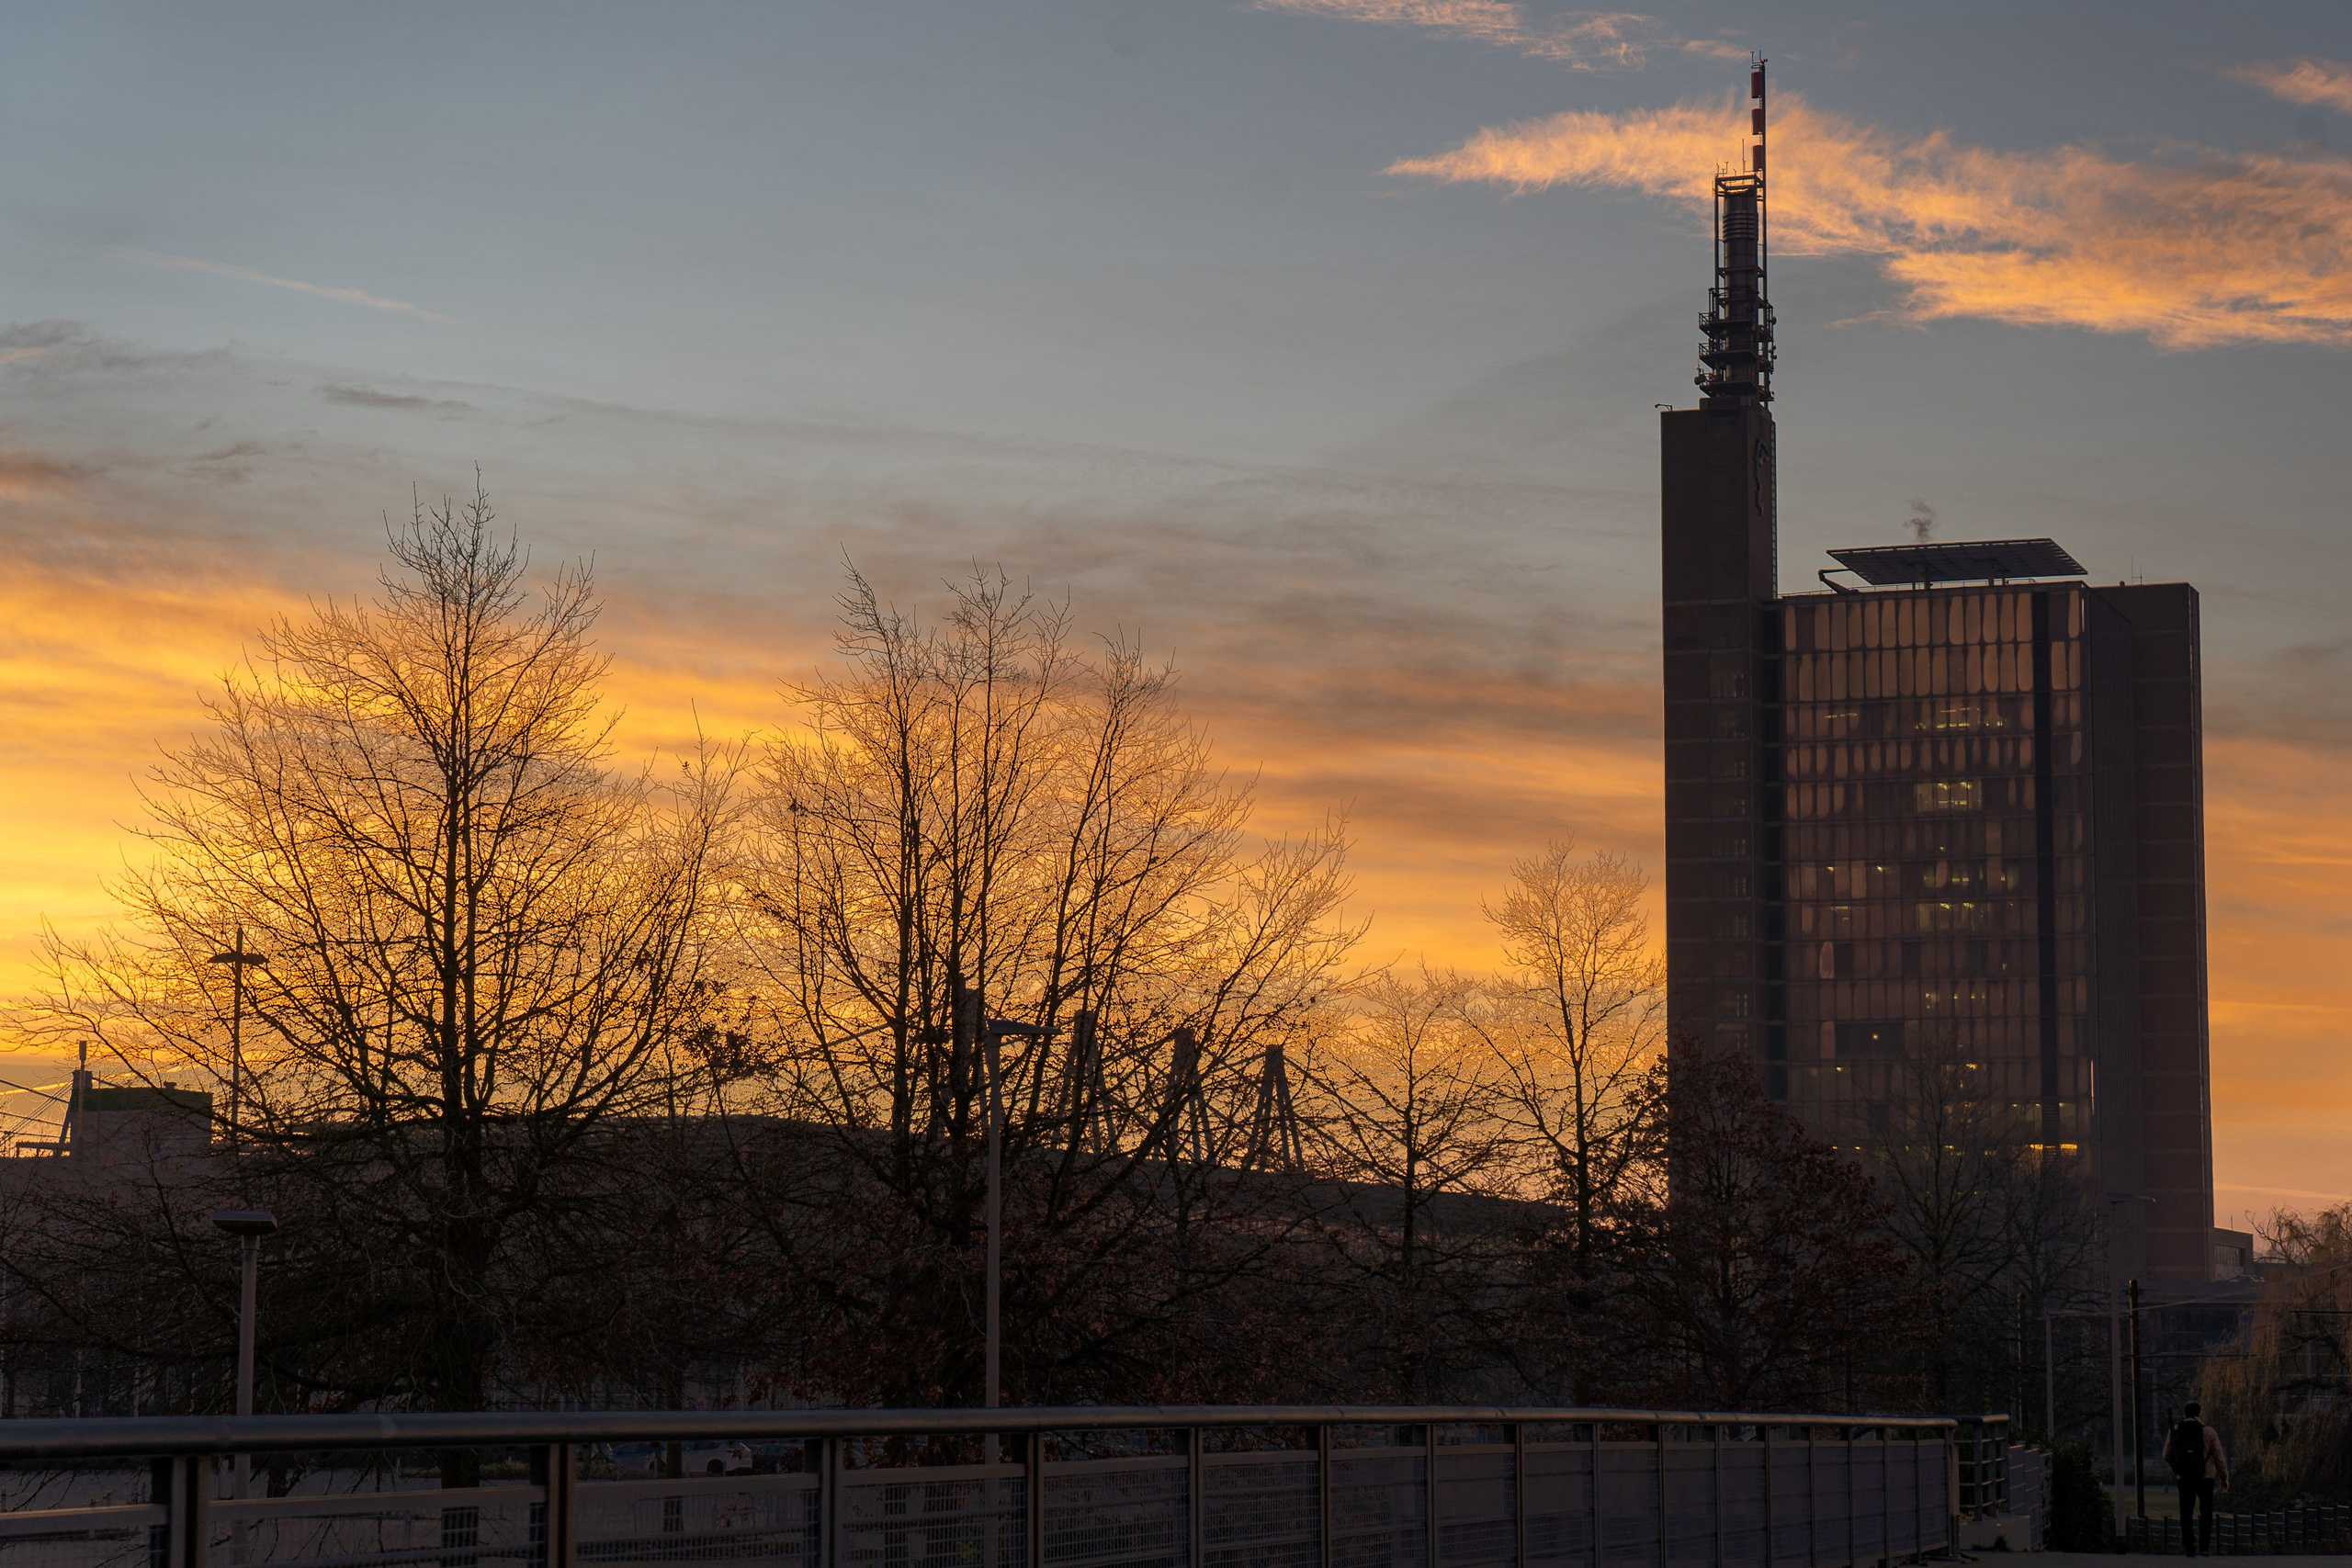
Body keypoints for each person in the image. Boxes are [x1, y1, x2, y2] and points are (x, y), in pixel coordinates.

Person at [2164, 1401, 2229, 1556]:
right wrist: (2224, 1477)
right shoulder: (2208, 1432)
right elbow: (2219, 1457)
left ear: (2185, 1413)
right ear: (2199, 1413)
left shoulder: (2175, 1430)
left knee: (2185, 1513)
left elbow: (2166, 1455)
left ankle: (2189, 1548)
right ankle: (2204, 1547)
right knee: (2206, 1512)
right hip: (2205, 1477)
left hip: (2184, 1477)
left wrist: (2177, 1467)